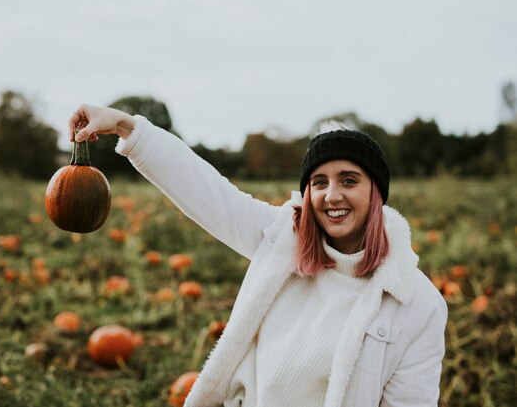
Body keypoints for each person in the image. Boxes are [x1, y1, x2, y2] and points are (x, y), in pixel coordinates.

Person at [69, 105, 447, 407]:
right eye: (319, 182)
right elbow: (206, 189)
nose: (332, 195)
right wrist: (123, 124)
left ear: (376, 194)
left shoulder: (418, 304)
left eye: (349, 180)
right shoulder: (283, 241)